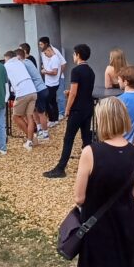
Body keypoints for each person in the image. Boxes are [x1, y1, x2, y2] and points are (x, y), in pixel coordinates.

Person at [71, 97, 134, 267]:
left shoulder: (90, 152)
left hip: (98, 225)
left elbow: (79, 197)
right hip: (127, 223)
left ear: (102, 120)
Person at [43, 44, 95, 178]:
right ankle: (93, 166)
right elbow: (83, 90)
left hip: (77, 109)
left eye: (74, 54)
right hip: (88, 107)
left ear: (78, 55)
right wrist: (70, 92)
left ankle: (61, 167)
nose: (73, 56)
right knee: (86, 138)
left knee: (69, 138)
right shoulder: (90, 71)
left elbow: (74, 93)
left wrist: (67, 109)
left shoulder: (76, 71)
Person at [5, 50, 38, 150]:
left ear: (8, 58)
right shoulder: (20, 62)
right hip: (33, 90)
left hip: (22, 92)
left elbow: (7, 81)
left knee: (15, 117)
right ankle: (31, 140)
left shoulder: (6, 66)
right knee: (29, 117)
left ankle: (30, 139)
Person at [19, 49, 50, 141]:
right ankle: (40, 129)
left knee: (41, 113)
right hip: (37, 90)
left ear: (18, 57)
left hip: (39, 90)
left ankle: (45, 134)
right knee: (34, 111)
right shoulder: (27, 61)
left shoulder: (24, 64)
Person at [38, 36, 66, 126]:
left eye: (41, 44)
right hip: (48, 81)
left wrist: (57, 75)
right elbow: (46, 64)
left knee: (51, 99)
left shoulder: (55, 54)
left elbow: (61, 65)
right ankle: (55, 118)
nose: (45, 55)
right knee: (53, 100)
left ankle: (56, 117)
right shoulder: (44, 53)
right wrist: (44, 68)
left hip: (54, 81)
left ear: (47, 46)